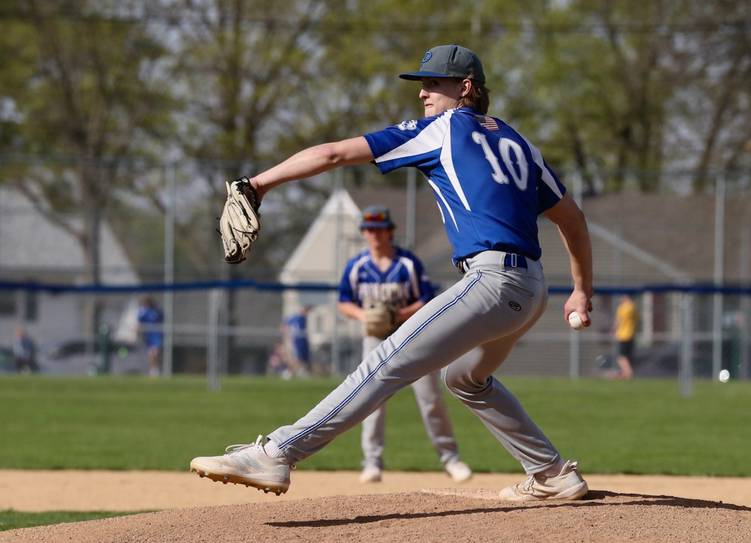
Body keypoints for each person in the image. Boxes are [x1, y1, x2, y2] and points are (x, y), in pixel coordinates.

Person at [191, 44, 594, 501]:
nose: (423, 94)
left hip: (492, 282)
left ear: (465, 88)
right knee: (464, 379)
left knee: (384, 362)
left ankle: (278, 453)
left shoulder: (442, 129)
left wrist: (258, 184)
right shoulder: (519, 142)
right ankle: (551, 473)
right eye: (422, 85)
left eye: (433, 83)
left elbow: (332, 155)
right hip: (532, 288)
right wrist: (581, 290)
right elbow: (572, 218)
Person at [339, 204, 472, 483]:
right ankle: (372, 461)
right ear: (364, 233)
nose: (374, 234)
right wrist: (365, 315)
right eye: (369, 229)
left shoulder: (407, 264)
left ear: (390, 232)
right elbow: (344, 302)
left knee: (430, 398)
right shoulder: (357, 267)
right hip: (375, 338)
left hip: (412, 335)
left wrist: (398, 315)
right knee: (371, 400)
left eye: (379, 229)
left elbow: (425, 299)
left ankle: (451, 459)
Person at [137, 296, 164, 378]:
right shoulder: (143, 312)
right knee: (150, 353)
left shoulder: (156, 311)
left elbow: (161, 320)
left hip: (156, 335)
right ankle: (153, 369)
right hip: (148, 336)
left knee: (155, 352)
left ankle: (155, 369)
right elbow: (139, 321)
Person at [281, 306, 312, 377]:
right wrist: (287, 336)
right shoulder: (295, 317)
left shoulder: (304, 318)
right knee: (297, 358)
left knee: (304, 358)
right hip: (297, 340)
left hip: (303, 339)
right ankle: (289, 372)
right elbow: (284, 326)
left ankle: (301, 371)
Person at [613, 294, 637, 380]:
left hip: (623, 335)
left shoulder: (622, 308)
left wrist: (614, 330)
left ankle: (629, 373)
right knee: (627, 356)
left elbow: (618, 321)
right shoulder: (633, 307)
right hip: (631, 335)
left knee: (621, 357)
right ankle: (625, 373)